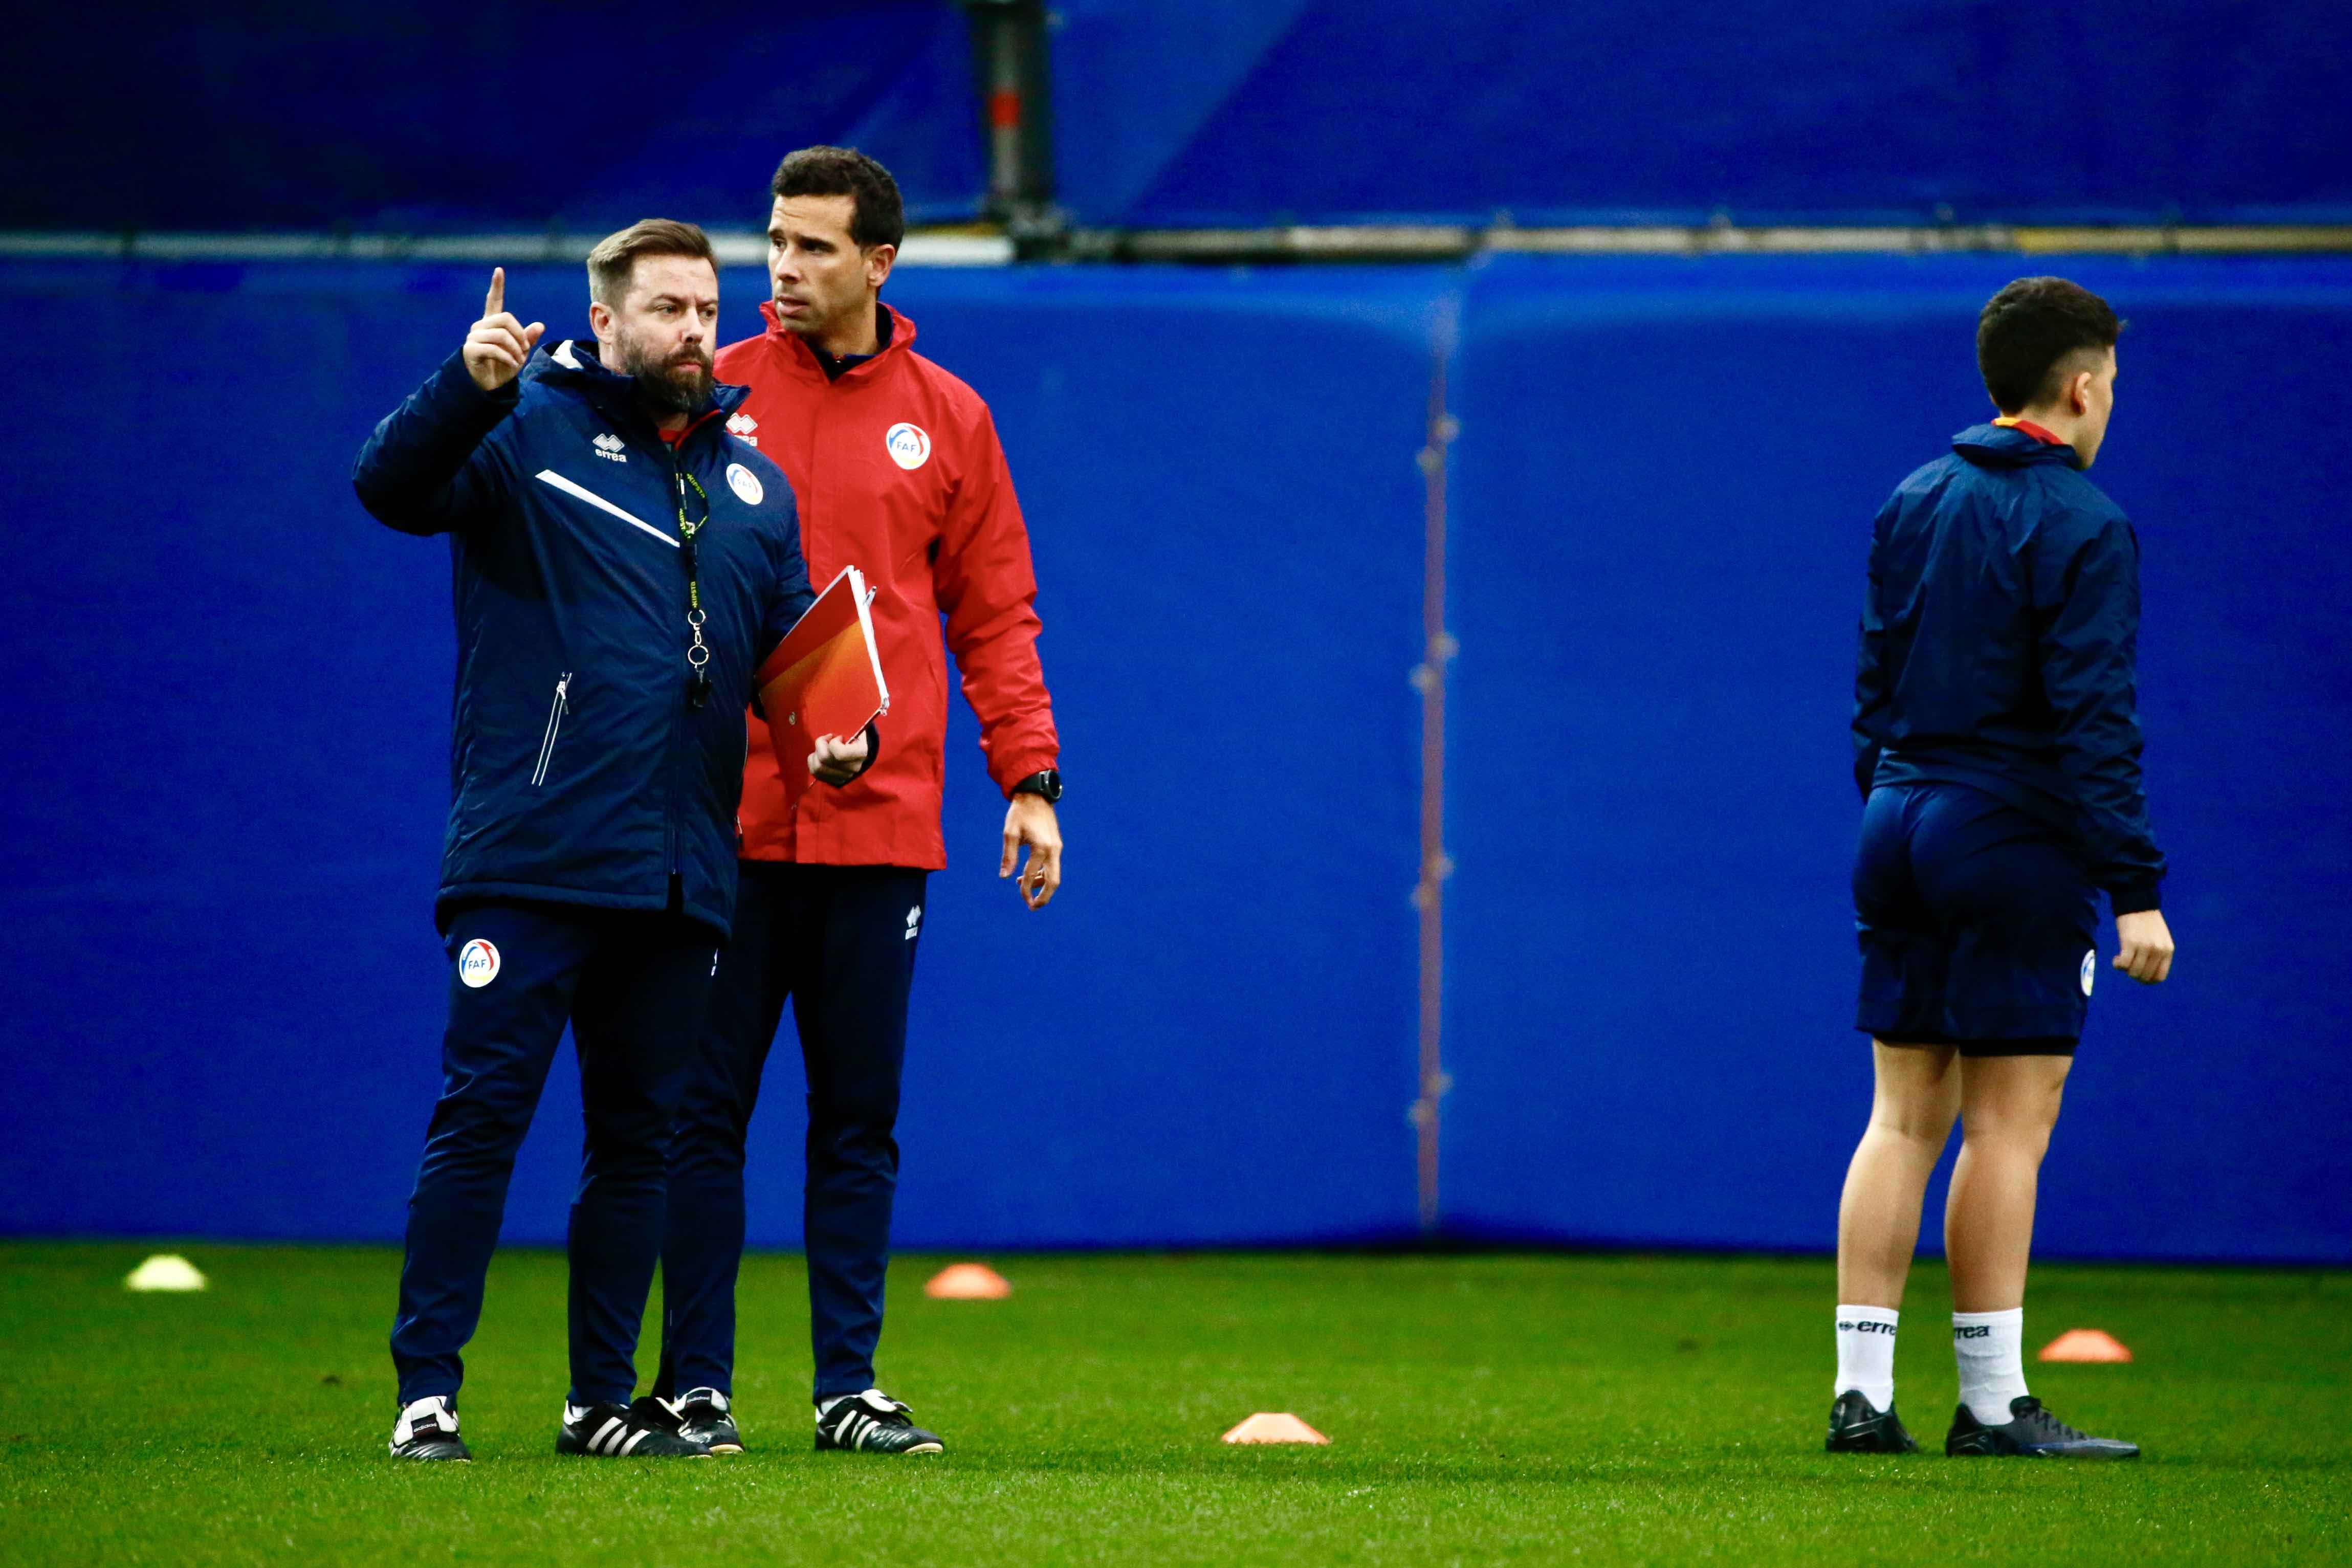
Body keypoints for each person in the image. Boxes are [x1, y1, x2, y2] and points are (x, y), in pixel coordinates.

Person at [353, 219, 871, 1462]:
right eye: (668, 310)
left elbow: (791, 645)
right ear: (607, 323)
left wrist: (835, 727)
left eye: (706, 308)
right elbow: (389, 489)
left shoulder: (750, 484)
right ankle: (429, 1395)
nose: (695, 331)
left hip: (683, 867)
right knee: (482, 1119)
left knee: (640, 1144)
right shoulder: (520, 428)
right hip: (532, 853)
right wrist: (461, 388)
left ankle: (599, 1404)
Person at [642, 147, 1061, 1459]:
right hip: (724, 822)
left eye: (813, 247)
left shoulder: (950, 418)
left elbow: (996, 617)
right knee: (700, 1113)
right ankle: (694, 1388)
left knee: (856, 1120)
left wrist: (1031, 781)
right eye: (774, 240)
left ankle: (846, 1393)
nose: (781, 268)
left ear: (880, 262)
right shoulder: (708, 396)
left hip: (881, 829)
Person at [1829, 276, 2173, 1460]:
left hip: (1899, 817)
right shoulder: (2087, 524)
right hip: (2009, 833)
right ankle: (1989, 1403)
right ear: (2081, 387)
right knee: (2006, 1130)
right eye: (2112, 383)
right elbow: (2094, 718)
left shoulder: (1913, 497)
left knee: (1899, 1116)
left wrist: (1896, 806)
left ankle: (1861, 1398)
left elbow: (1872, 690)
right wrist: (2133, 884)